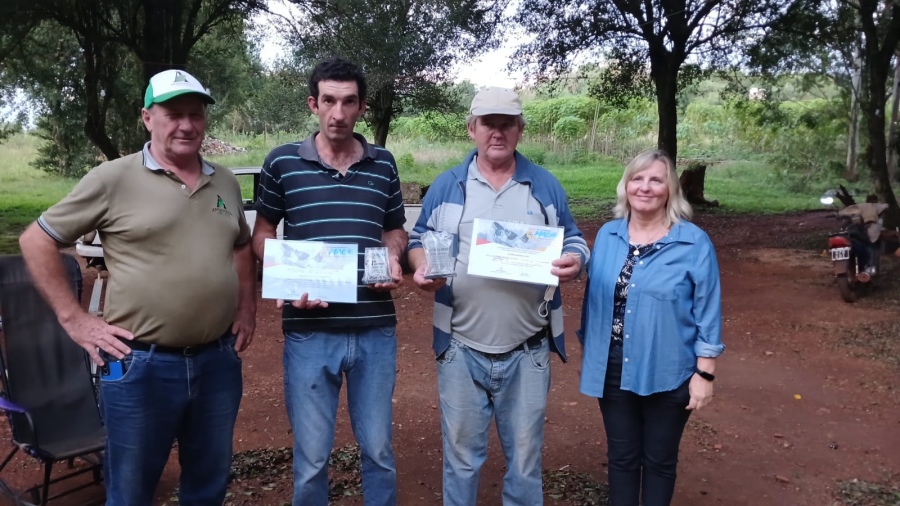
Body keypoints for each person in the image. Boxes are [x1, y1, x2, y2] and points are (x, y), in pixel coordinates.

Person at [18, 69, 256, 506]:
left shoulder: (224, 180)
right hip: (140, 366)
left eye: (195, 114)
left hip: (217, 363)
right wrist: (75, 320)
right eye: (173, 114)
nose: (186, 124)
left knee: (208, 484)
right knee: (130, 491)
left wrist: (246, 309)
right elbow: (36, 239)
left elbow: (240, 244)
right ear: (147, 118)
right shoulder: (112, 179)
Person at [407, 87, 589, 505]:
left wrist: (575, 262)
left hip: (528, 350)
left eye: (507, 123)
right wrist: (420, 264)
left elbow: (575, 240)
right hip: (459, 346)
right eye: (488, 123)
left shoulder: (544, 185)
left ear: (520, 130)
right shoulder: (447, 186)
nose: (497, 132)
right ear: (472, 128)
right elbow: (418, 238)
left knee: (525, 461)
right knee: (461, 459)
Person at [251, 57, 407, 506]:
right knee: (312, 457)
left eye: (349, 102)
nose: (338, 113)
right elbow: (262, 234)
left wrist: (393, 255)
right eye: (329, 101)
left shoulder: (384, 164)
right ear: (313, 104)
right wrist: (284, 274)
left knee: (378, 451)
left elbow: (394, 229)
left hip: (375, 327)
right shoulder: (282, 163)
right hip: (309, 329)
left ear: (361, 107)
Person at [578, 149, 724, 506]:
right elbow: (594, 299)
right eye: (637, 179)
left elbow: (708, 310)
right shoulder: (609, 235)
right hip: (612, 368)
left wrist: (704, 376)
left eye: (656, 179)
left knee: (659, 461)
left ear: (670, 189)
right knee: (622, 459)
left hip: (668, 369)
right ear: (625, 186)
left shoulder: (693, 243)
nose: (645, 187)